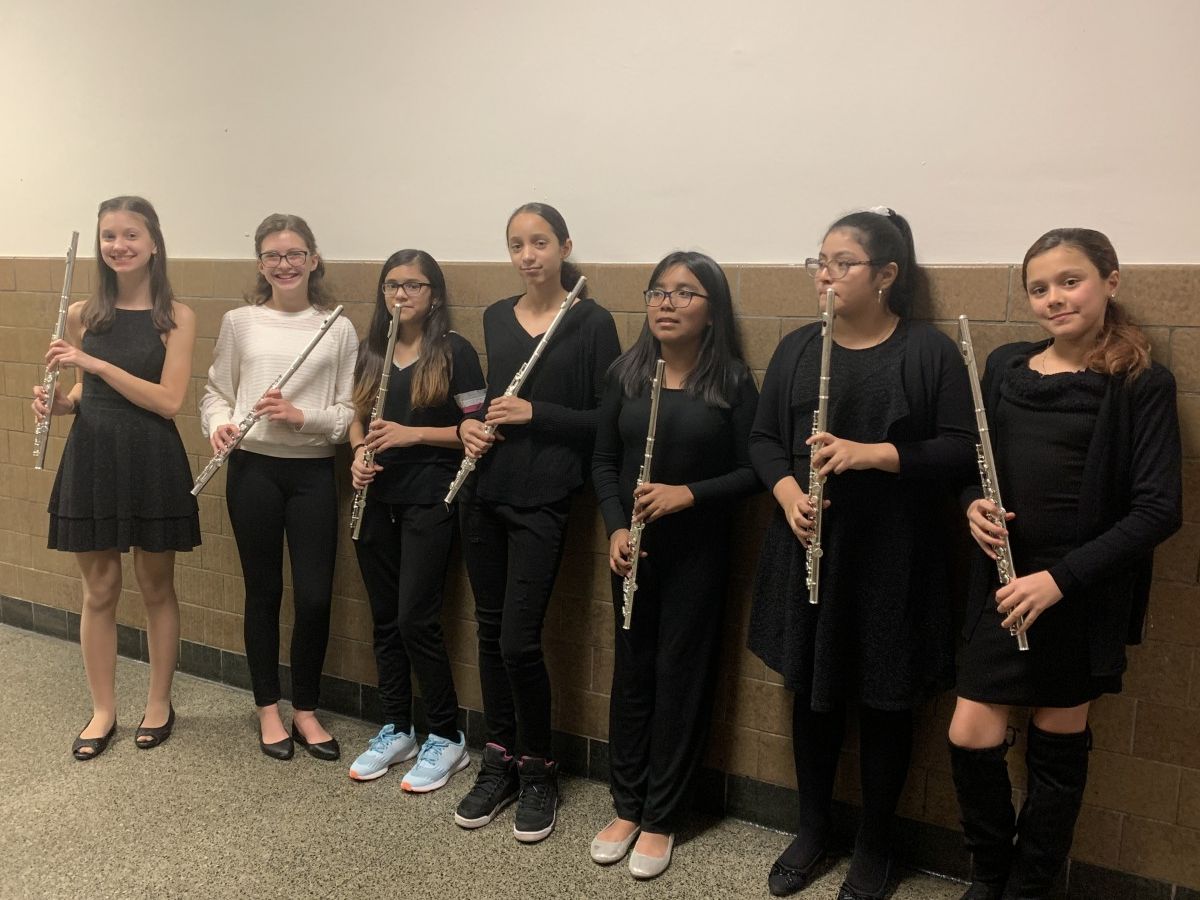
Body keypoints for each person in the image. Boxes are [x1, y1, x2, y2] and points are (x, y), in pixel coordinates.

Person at [947, 228, 1182, 900]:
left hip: (1079, 589)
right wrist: (970, 506)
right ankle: (989, 871)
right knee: (970, 732)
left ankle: (1029, 885)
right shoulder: (1005, 368)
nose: (1055, 298)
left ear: (1111, 281)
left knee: (1058, 735)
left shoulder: (1141, 383)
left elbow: (1158, 510)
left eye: (1070, 281)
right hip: (1003, 583)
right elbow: (974, 469)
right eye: (1040, 288)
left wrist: (1059, 581)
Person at [748, 208, 977, 899]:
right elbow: (762, 440)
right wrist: (788, 493)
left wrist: (871, 454)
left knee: (885, 701)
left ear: (886, 275)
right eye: (820, 259)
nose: (826, 273)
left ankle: (877, 844)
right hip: (810, 545)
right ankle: (814, 828)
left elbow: (958, 448)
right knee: (810, 696)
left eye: (842, 262)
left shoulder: (926, 352)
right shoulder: (796, 348)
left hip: (893, 557)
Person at [453, 202, 621, 842]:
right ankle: (497, 758)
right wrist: (472, 426)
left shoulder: (593, 322)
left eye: (541, 242)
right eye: (517, 244)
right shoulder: (497, 316)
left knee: (520, 641)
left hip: (546, 498)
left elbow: (608, 421)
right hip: (485, 493)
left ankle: (538, 768)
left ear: (564, 246)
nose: (529, 255)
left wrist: (536, 414)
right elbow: (486, 403)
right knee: (491, 634)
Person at [589, 251, 759, 879]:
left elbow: (754, 473)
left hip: (699, 552)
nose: (666, 303)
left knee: (681, 681)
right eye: (659, 291)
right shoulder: (626, 374)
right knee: (631, 677)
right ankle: (626, 804)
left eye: (685, 293)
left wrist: (688, 494)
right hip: (633, 549)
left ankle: (662, 816)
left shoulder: (733, 382)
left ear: (712, 309)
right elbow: (604, 460)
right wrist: (614, 526)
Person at [35, 195, 200, 760]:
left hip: (151, 456)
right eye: (109, 236)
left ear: (153, 243)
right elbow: (87, 394)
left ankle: (159, 703)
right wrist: (58, 403)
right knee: (99, 589)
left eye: (131, 235)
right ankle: (103, 710)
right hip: (93, 455)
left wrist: (96, 365)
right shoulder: (84, 313)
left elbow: (169, 401)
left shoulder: (175, 315)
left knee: (156, 587)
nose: (119, 246)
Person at [200, 213, 358, 762]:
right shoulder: (240, 321)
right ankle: (268, 707)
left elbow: (347, 416)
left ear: (313, 259)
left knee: (314, 597)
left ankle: (306, 709)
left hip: (312, 474)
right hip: (253, 472)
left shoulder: (336, 327)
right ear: (261, 264)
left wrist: (300, 417)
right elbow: (215, 392)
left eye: (294, 254)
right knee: (263, 593)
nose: (284, 264)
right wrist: (218, 424)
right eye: (272, 255)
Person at [346, 249, 485, 790]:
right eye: (392, 285)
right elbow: (357, 418)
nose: (401, 295)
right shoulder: (370, 351)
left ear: (435, 294)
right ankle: (397, 725)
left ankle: (447, 736)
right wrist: (359, 452)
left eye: (414, 286)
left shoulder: (455, 352)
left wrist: (411, 435)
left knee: (415, 620)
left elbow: (476, 433)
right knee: (384, 618)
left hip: (431, 495)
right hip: (376, 495)